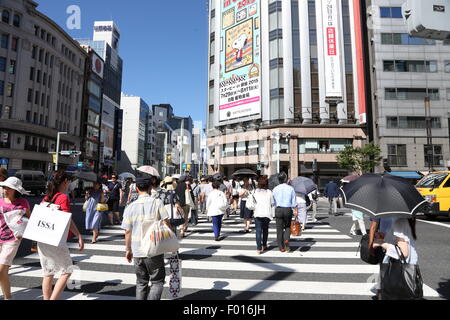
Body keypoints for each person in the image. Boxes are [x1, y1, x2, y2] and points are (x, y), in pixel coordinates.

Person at [121, 177, 170, 300]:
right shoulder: (157, 202)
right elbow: (166, 222)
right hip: (154, 247)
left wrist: (128, 249)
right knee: (157, 281)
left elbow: (127, 231)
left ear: (136, 189)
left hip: (137, 250)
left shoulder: (130, 207)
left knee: (141, 282)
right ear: (150, 188)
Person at [38, 170, 84, 300]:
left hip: (42, 238)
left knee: (48, 273)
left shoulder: (46, 198)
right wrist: (79, 236)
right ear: (65, 181)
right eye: (68, 181)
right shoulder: (63, 197)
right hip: (55, 239)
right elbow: (67, 220)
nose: (69, 184)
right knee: (67, 270)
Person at [373, 217, 419, 300]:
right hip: (411, 265)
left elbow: (403, 252)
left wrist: (381, 243)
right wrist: (385, 237)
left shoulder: (398, 222)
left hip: (399, 266)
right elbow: (405, 240)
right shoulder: (408, 220)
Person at [0, 177, 31, 300]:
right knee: (3, 273)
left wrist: (25, 232)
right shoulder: (0, 201)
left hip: (13, 239)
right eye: (4, 187)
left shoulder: (23, 202)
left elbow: (31, 220)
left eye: (8, 188)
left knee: (1, 269)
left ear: (15, 190)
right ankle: (8, 297)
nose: (5, 190)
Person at [272, 172, 298, 252]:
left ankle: (281, 247)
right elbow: (294, 201)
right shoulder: (290, 188)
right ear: (286, 179)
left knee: (279, 228)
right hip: (287, 209)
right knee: (287, 226)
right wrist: (295, 210)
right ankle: (286, 239)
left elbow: (273, 202)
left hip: (278, 209)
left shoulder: (275, 189)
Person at [253, 176, 275, 254]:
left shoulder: (255, 192)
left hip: (258, 213)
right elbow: (273, 203)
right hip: (267, 213)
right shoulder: (269, 192)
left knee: (258, 231)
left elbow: (253, 202)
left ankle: (258, 249)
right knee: (265, 230)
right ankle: (264, 245)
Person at [84, 179, 105, 244]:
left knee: (94, 223)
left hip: (97, 208)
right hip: (90, 208)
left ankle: (93, 238)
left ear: (99, 185)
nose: (95, 185)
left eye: (96, 184)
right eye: (94, 184)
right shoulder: (90, 190)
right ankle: (96, 232)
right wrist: (87, 194)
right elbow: (86, 199)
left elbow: (102, 201)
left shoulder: (101, 191)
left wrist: (102, 195)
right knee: (90, 221)